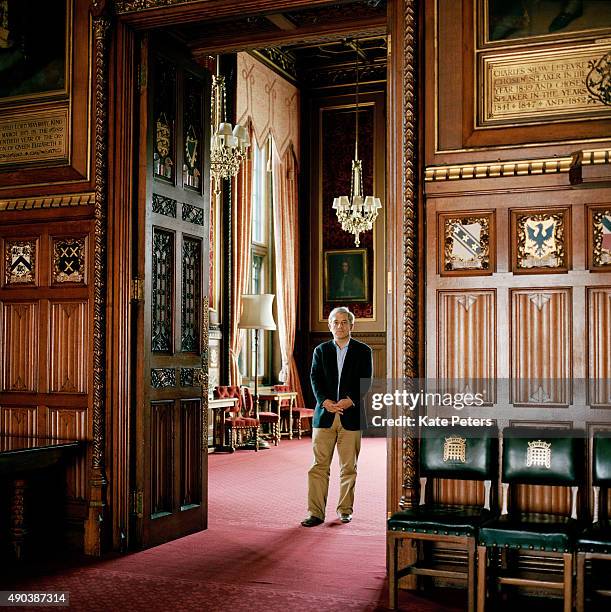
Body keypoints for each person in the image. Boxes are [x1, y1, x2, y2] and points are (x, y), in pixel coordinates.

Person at [301, 307, 373, 527]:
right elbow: (315, 378)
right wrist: (324, 402)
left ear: (352, 325)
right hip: (324, 416)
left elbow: (366, 380)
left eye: (344, 322)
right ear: (329, 325)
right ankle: (315, 512)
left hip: (351, 416)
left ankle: (345, 510)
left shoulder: (363, 351)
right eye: (335, 322)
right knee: (318, 466)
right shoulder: (320, 351)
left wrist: (350, 400)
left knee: (348, 467)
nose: (339, 326)